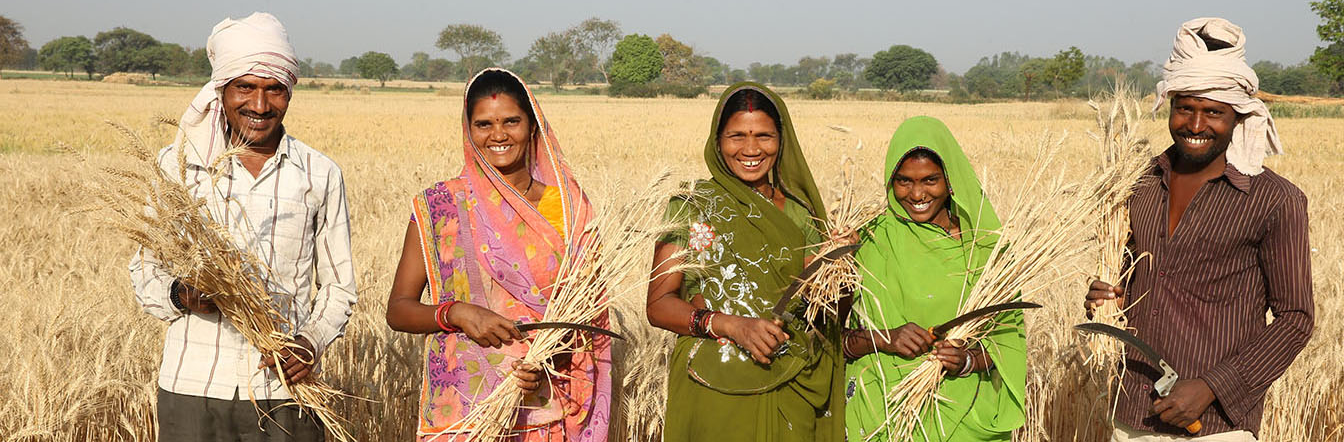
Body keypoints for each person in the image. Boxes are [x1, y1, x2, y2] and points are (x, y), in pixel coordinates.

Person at [128, 12, 356, 441]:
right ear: (222, 90)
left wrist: (309, 343)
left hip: (285, 391)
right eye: (245, 88)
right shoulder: (177, 167)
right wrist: (182, 294)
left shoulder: (319, 174)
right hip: (192, 388)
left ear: (289, 91)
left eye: (274, 89)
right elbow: (144, 270)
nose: (259, 105)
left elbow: (339, 288)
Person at [1085, 17, 1314, 442]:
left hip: (1215, 429)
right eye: (1185, 108)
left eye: (1213, 113)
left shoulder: (1274, 200)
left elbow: (1295, 319)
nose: (1195, 125)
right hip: (1131, 416)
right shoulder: (1134, 185)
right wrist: (1101, 296)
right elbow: (1122, 277)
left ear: (1239, 116)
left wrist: (1211, 387)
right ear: (1170, 107)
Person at [385, 68, 612, 442]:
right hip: (461, 412)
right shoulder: (441, 207)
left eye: (511, 121)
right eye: (484, 124)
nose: (498, 135)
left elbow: (589, 313)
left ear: (533, 127)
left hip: (544, 406)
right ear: (468, 131)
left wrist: (544, 360)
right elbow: (399, 309)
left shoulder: (568, 210)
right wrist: (458, 312)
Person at [646, 83, 845, 442]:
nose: (751, 149)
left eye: (764, 136)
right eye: (737, 135)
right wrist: (732, 326)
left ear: (781, 140)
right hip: (712, 384)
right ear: (717, 140)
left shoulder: (801, 214)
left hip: (791, 379)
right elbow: (659, 305)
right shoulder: (692, 206)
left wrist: (841, 264)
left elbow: (826, 311)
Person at [843, 116, 1027, 442]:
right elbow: (832, 341)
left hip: (961, 418)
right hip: (880, 413)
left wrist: (967, 360)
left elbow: (1007, 342)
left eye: (930, 180)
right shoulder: (867, 241)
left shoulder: (983, 248)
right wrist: (883, 338)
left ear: (950, 180)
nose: (916, 194)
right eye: (903, 181)